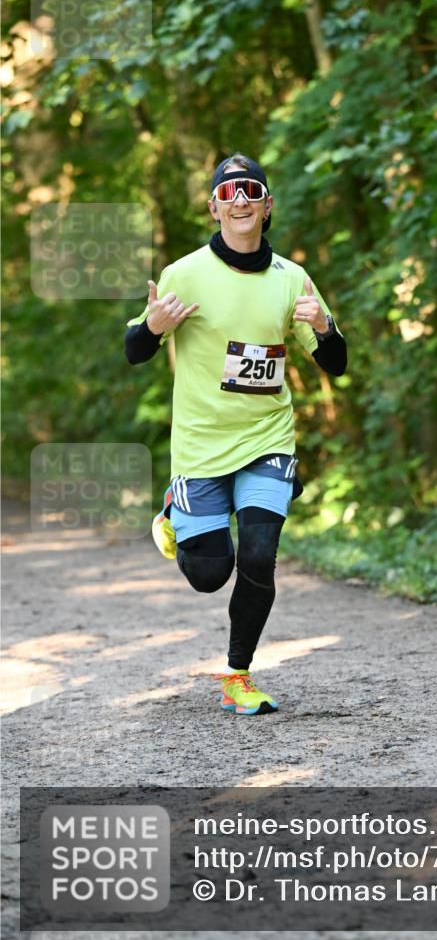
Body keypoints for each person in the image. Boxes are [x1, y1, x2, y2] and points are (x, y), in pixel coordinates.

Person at [124, 152, 347, 715]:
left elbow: (336, 363)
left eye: (250, 190)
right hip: (200, 445)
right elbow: (134, 351)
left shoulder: (291, 279)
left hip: (268, 438)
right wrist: (153, 327)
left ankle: (237, 675)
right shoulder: (183, 273)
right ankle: (177, 506)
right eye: (228, 193)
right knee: (207, 574)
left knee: (258, 554)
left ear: (267, 204)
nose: (240, 199)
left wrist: (324, 327)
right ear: (213, 207)